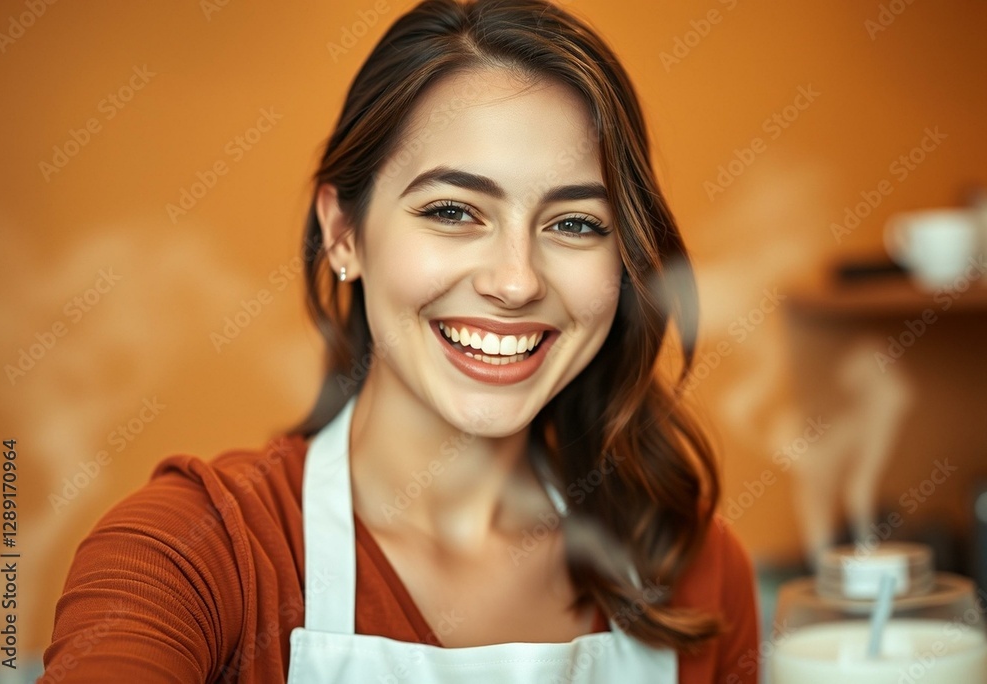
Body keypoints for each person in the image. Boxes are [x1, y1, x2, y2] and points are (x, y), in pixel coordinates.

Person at [41, 0, 760, 681]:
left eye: (575, 223)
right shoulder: (197, 552)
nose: (516, 282)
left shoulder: (692, 565)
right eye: (453, 211)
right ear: (343, 231)